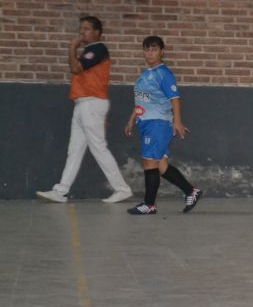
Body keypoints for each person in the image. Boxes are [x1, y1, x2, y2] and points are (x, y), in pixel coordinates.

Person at [37, 16, 133, 204]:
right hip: (83, 103)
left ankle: (122, 189)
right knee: (74, 150)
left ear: (97, 32)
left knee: (98, 148)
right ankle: (61, 191)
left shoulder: (98, 49)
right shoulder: (89, 51)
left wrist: (72, 47)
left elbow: (75, 69)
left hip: (92, 102)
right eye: (81, 28)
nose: (83, 32)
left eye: (87, 29)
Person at [124, 36, 202, 215]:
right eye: (147, 49)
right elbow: (141, 101)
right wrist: (131, 119)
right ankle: (191, 191)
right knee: (161, 165)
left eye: (154, 49)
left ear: (162, 52)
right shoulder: (145, 75)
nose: (150, 53)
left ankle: (149, 205)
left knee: (149, 162)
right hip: (145, 122)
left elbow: (175, 99)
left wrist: (178, 121)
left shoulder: (164, 74)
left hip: (158, 124)